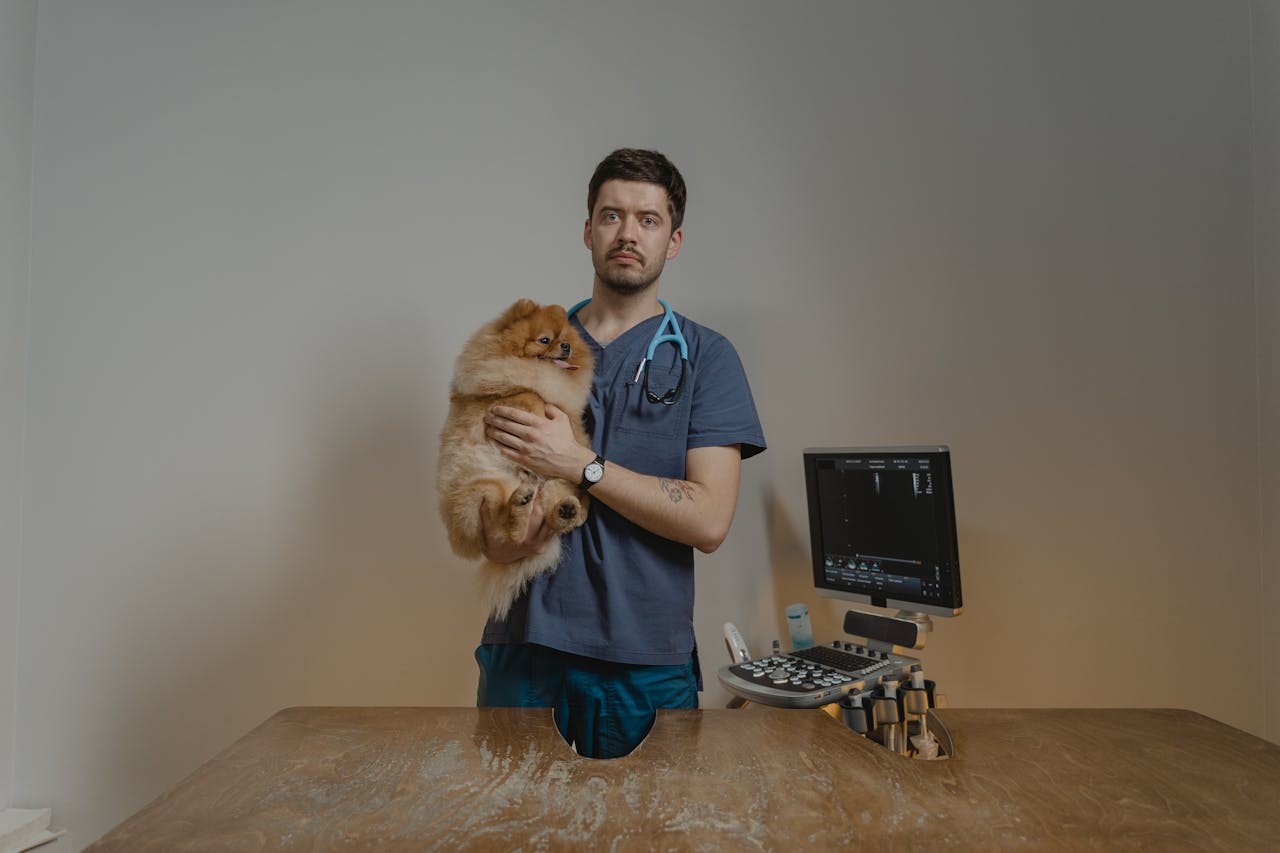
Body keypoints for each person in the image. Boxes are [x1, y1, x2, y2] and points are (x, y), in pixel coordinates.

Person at [475, 148, 766, 758]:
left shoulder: (706, 360)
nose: (628, 233)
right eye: (611, 216)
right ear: (588, 230)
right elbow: (490, 533)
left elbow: (709, 521)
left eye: (648, 219)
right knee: (508, 836)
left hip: (640, 665)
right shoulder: (531, 346)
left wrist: (579, 466)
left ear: (674, 240)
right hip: (524, 652)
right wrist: (512, 534)